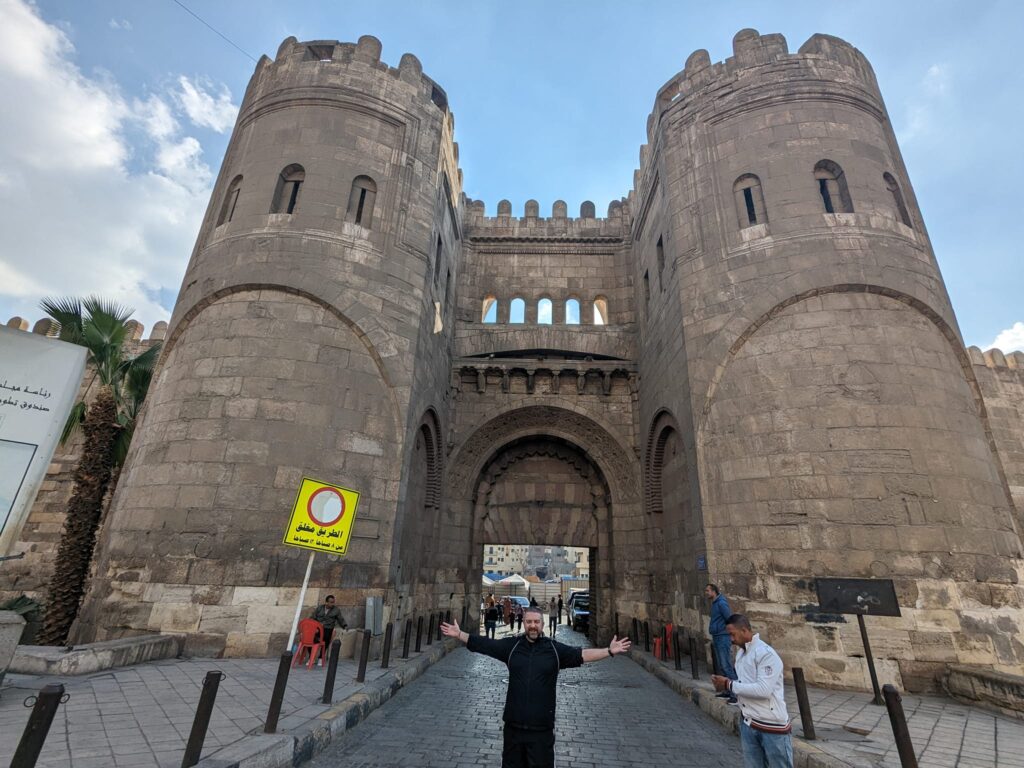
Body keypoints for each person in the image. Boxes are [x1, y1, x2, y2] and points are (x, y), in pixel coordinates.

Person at [441, 608, 630, 767]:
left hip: (541, 730)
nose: (533, 625)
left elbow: (582, 654)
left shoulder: (555, 650)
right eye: (529, 621)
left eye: (536, 622)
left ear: (542, 624)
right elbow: (487, 645)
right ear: (524, 623)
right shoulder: (512, 647)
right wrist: (460, 635)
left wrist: (608, 651)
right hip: (513, 728)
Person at [711, 614, 793, 768]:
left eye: (732, 634)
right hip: (749, 723)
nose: (731, 639)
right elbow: (744, 684)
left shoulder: (766, 654)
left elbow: (763, 690)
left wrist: (729, 684)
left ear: (744, 630)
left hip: (772, 726)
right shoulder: (741, 654)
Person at [705, 583, 737, 704]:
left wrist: (729, 634)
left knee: (726, 665)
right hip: (717, 636)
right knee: (722, 665)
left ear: (714, 591)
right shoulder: (715, 604)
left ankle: (735, 693)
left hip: (723, 637)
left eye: (707, 590)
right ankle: (727, 690)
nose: (706, 593)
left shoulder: (721, 603)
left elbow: (729, 618)